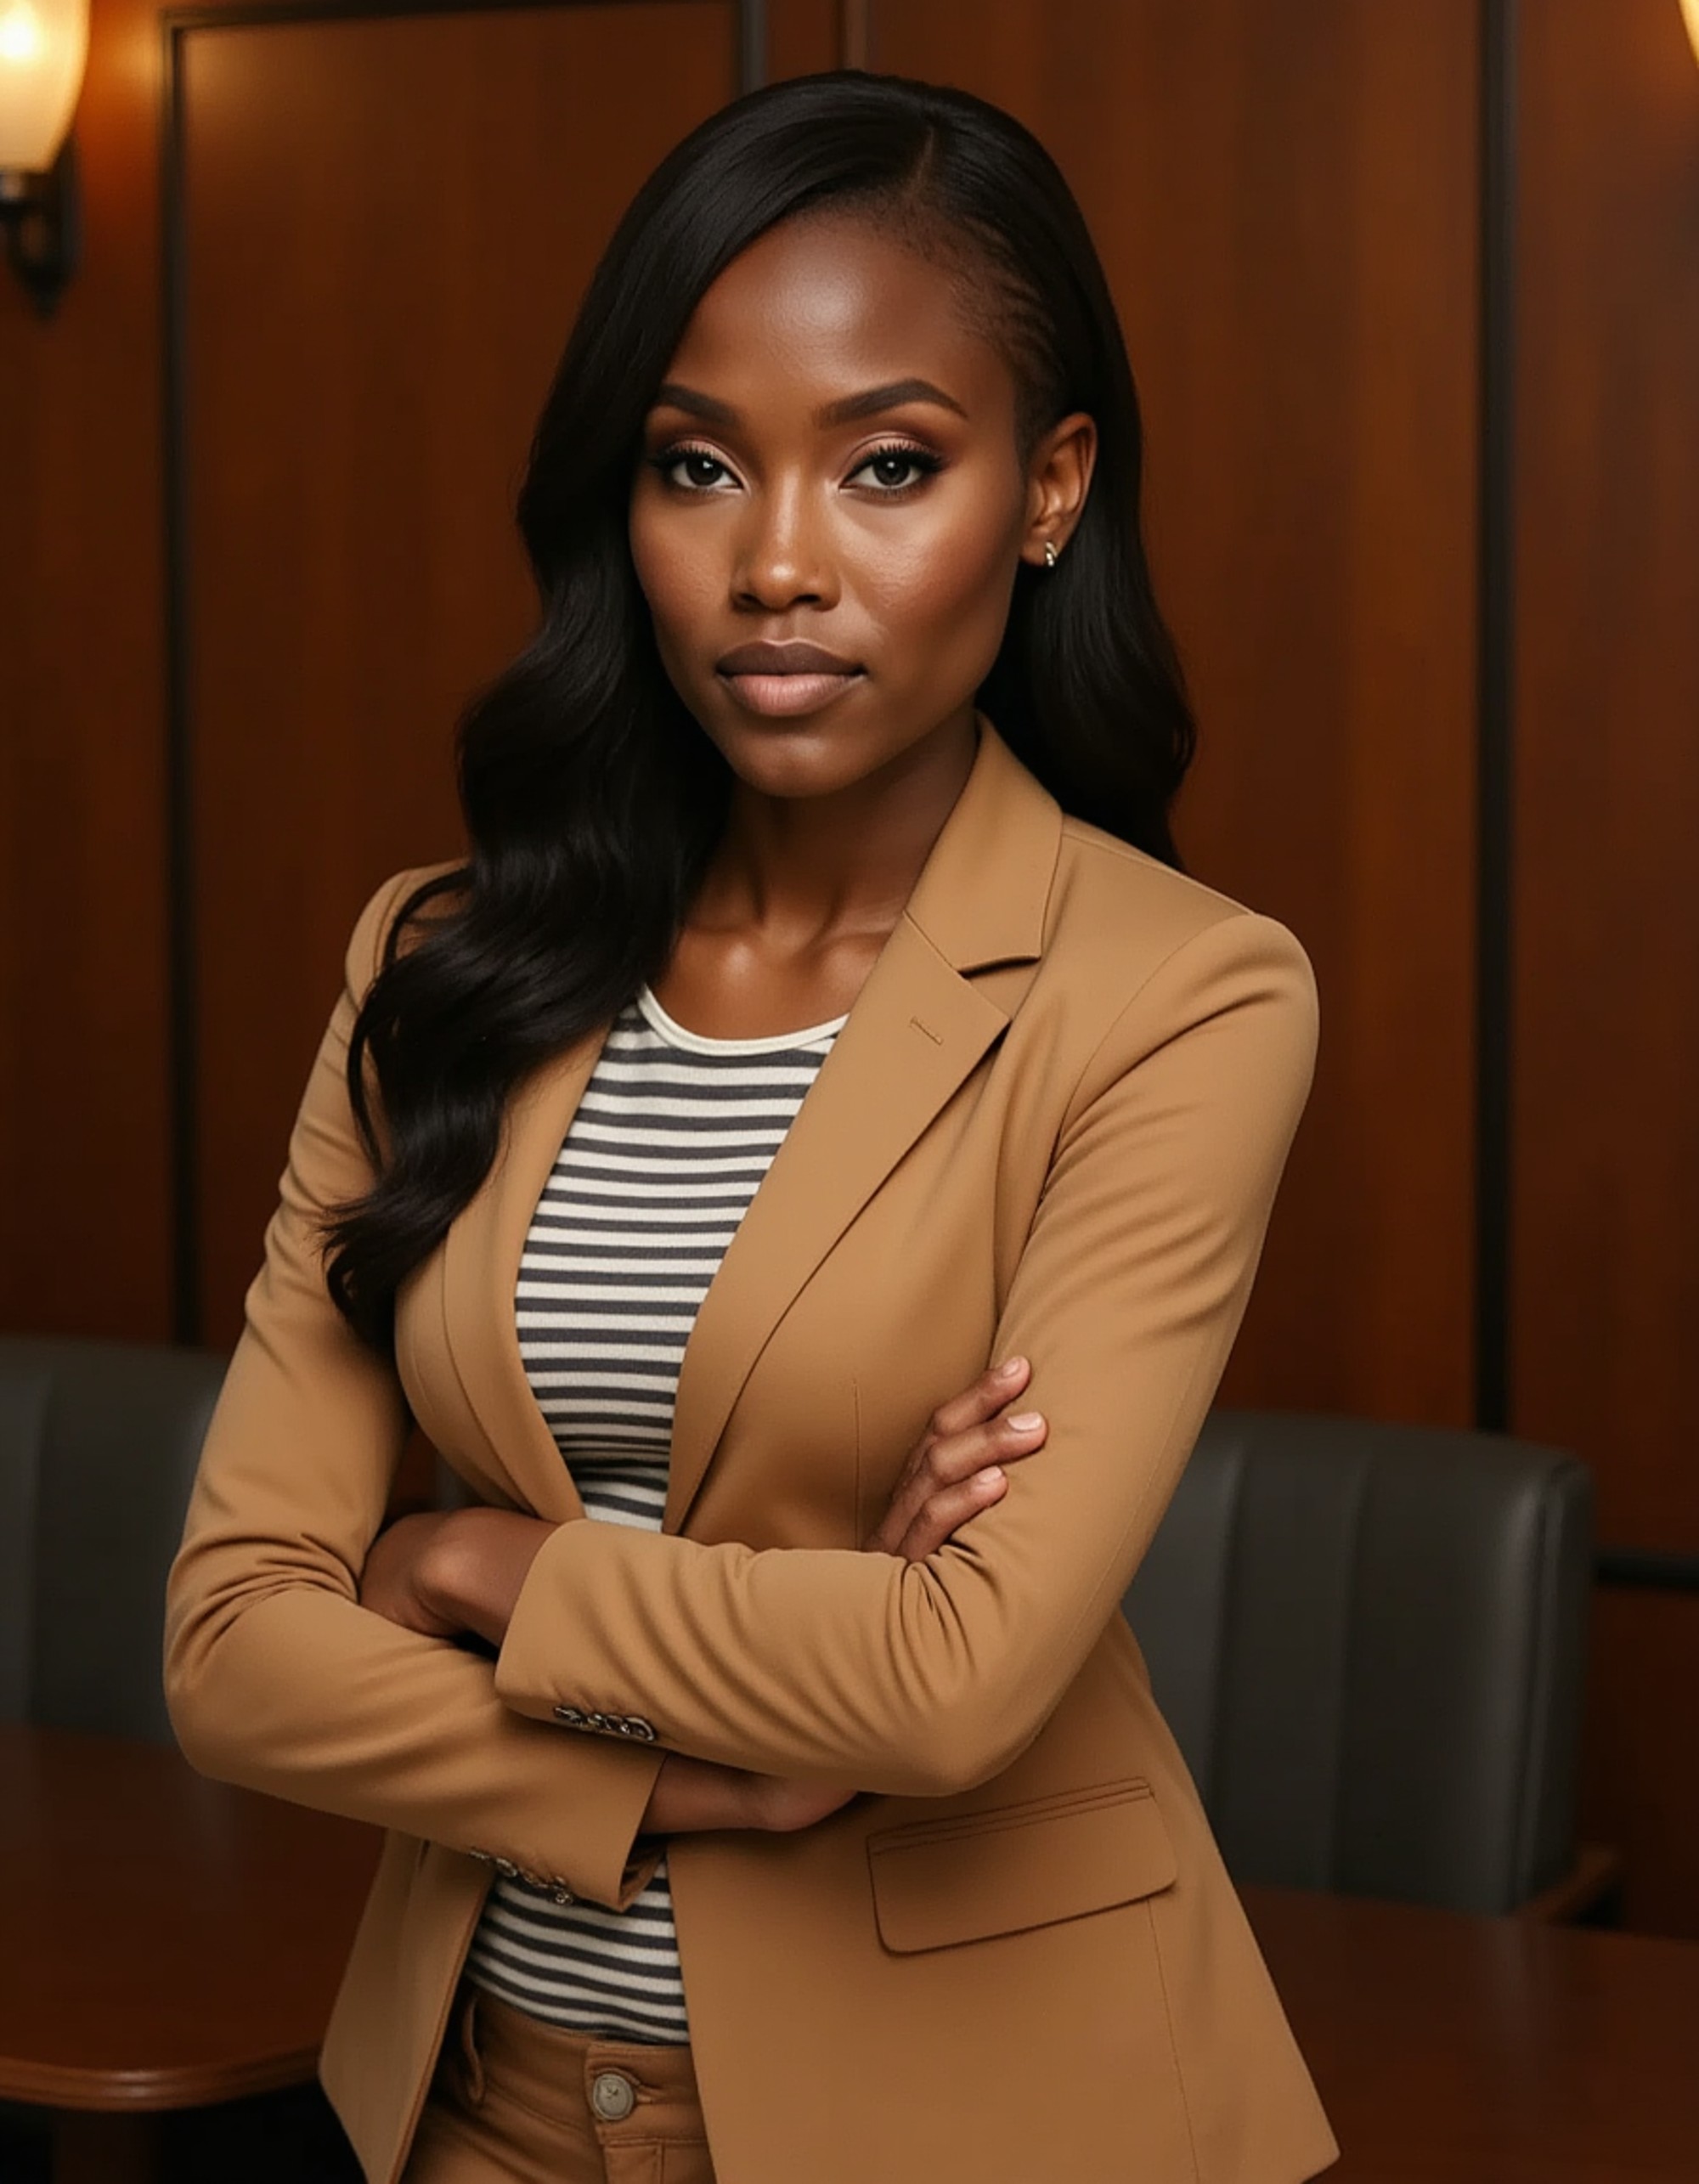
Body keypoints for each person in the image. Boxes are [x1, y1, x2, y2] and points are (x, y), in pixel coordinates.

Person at [165, 69, 1338, 2184]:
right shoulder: (437, 959)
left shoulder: (1180, 993)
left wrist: (470, 1556)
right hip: (481, 2095)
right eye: (698, 465)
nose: (777, 564)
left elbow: (951, 1684)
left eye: (889, 463)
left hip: (981, 2116)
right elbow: (234, 1648)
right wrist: (709, 1773)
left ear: (1050, 489)